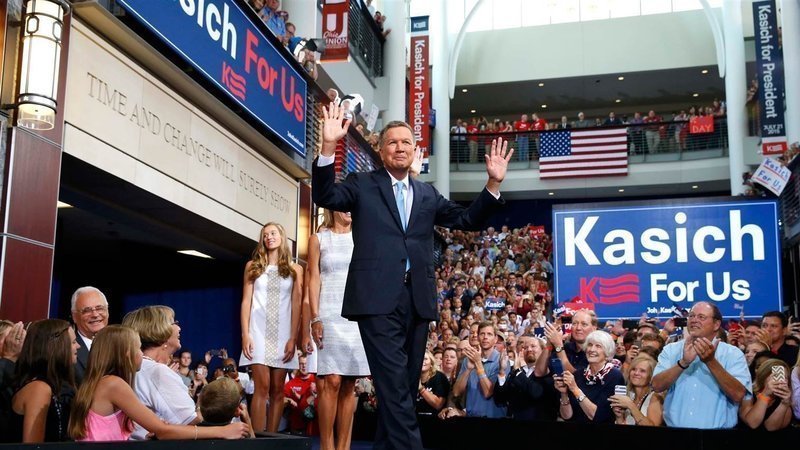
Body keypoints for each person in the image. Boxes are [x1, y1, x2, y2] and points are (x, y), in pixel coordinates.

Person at [312, 102, 511, 450]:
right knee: (393, 383)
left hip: (417, 301)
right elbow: (326, 194)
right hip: (375, 301)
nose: (400, 147)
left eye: (406, 142)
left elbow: (466, 220)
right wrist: (329, 147)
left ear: (414, 149)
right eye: (392, 142)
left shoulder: (426, 193)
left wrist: (493, 183)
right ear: (381, 150)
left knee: (402, 386)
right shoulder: (362, 184)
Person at [68, 325, 249, 441]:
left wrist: (160, 430)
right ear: (125, 354)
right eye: (138, 348)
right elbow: (163, 431)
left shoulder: (104, 383)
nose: (142, 354)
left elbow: (159, 429)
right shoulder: (113, 385)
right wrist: (221, 431)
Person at [304, 209, 369, 450]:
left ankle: (343, 447)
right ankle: (326, 445)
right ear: (333, 208)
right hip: (329, 313)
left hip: (356, 314)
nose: (350, 209)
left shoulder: (362, 236)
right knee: (331, 380)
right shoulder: (318, 239)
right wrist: (315, 317)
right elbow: (313, 278)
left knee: (349, 384)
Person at [239, 222, 303, 433]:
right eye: (265, 235)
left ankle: (272, 439)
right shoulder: (252, 266)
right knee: (262, 387)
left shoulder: (295, 269)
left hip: (283, 333)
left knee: (277, 390)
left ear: (282, 237)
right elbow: (246, 301)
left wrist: (293, 337)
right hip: (257, 331)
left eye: (273, 233)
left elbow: (296, 305)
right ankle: (257, 441)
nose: (269, 237)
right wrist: (245, 334)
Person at [651, 302, 751, 429]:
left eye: (701, 317)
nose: (694, 320)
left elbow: (738, 395)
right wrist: (683, 363)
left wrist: (710, 361)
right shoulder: (671, 350)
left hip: (718, 435)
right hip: (676, 434)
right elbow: (656, 386)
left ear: (716, 324)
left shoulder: (733, 354)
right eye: (691, 316)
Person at [121, 305, 199, 440]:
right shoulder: (156, 371)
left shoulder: (136, 368)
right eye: (174, 323)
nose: (179, 328)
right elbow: (192, 421)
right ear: (159, 330)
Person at [1, 319, 78, 443]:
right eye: (73, 342)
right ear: (56, 346)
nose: (78, 346)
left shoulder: (51, 385)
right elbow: (33, 446)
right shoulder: (39, 388)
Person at [554, 330, 624, 424]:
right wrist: (564, 394)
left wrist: (575, 390)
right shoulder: (578, 374)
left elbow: (597, 416)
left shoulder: (615, 376)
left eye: (598, 346)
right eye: (590, 345)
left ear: (607, 352)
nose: (592, 349)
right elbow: (566, 416)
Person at [494, 335, 556, 421]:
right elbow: (500, 400)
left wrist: (518, 372)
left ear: (542, 350)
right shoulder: (515, 372)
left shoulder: (548, 371)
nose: (529, 349)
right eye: (525, 347)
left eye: (533, 346)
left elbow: (536, 393)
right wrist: (502, 372)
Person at [451, 322, 506, 418]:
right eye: (482, 334)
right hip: (471, 418)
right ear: (478, 337)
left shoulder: (502, 361)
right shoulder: (468, 360)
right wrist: (468, 370)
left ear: (495, 339)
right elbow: (456, 392)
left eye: (489, 334)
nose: (485, 337)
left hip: (494, 419)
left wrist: (478, 363)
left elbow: (488, 393)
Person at [70, 286, 110, 385]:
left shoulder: (120, 345)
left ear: (107, 311)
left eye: (99, 308)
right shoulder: (67, 351)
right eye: (87, 310)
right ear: (74, 316)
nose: (95, 314)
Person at [738, 358, 792, 431]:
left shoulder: (786, 402)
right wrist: (765, 394)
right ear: (763, 377)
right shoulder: (749, 394)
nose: (780, 381)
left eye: (784, 377)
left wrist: (784, 404)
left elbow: (771, 427)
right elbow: (752, 423)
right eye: (775, 376)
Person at [609, 355, 663, 426]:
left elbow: (654, 427)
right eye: (633, 369)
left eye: (642, 371)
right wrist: (619, 417)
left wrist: (631, 406)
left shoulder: (654, 397)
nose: (636, 373)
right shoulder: (629, 396)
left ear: (651, 376)